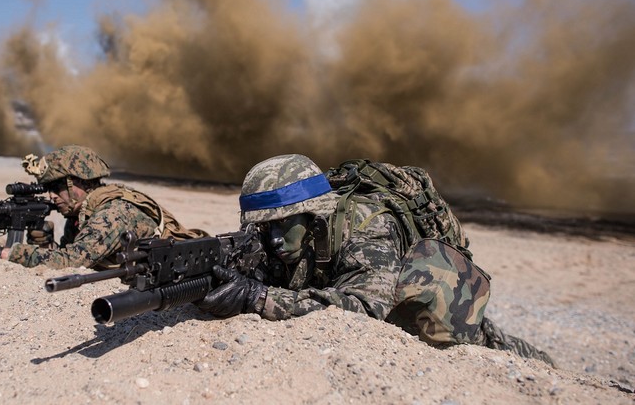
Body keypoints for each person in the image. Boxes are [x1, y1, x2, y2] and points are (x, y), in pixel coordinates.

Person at [197, 154, 555, 366]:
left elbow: (365, 308)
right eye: (264, 227)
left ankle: (540, 361)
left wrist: (258, 298)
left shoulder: (368, 226)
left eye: (283, 223)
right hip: (340, 279)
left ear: (313, 215)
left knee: (479, 341)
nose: (273, 238)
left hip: (431, 301)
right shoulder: (277, 236)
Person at [0, 145, 207, 269]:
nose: (51, 196)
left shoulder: (112, 214)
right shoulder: (83, 212)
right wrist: (44, 244)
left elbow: (73, 261)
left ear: (76, 182)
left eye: (56, 187)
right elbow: (71, 251)